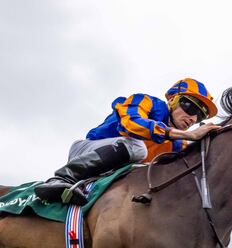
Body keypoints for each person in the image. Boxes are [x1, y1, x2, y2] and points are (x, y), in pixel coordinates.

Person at [35, 78, 221, 205]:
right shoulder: (146, 102)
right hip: (87, 150)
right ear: (172, 100)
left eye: (199, 116)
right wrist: (190, 135)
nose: (192, 118)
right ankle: (62, 178)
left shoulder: (178, 144)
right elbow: (131, 124)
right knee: (137, 147)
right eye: (190, 107)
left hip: (116, 173)